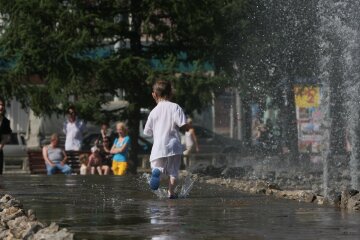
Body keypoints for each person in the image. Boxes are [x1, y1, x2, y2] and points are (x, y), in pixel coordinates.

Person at [144, 80, 187, 199]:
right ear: (171, 93)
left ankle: (157, 171)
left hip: (158, 147)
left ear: (154, 95)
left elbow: (147, 132)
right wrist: (188, 127)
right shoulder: (175, 107)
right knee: (174, 171)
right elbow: (182, 124)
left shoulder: (153, 112)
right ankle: (171, 193)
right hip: (173, 145)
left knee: (156, 166)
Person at [0, 97, 12, 175]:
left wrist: (1, 145)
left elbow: (7, 136)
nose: (1, 107)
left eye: (2, 105)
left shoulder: (5, 121)